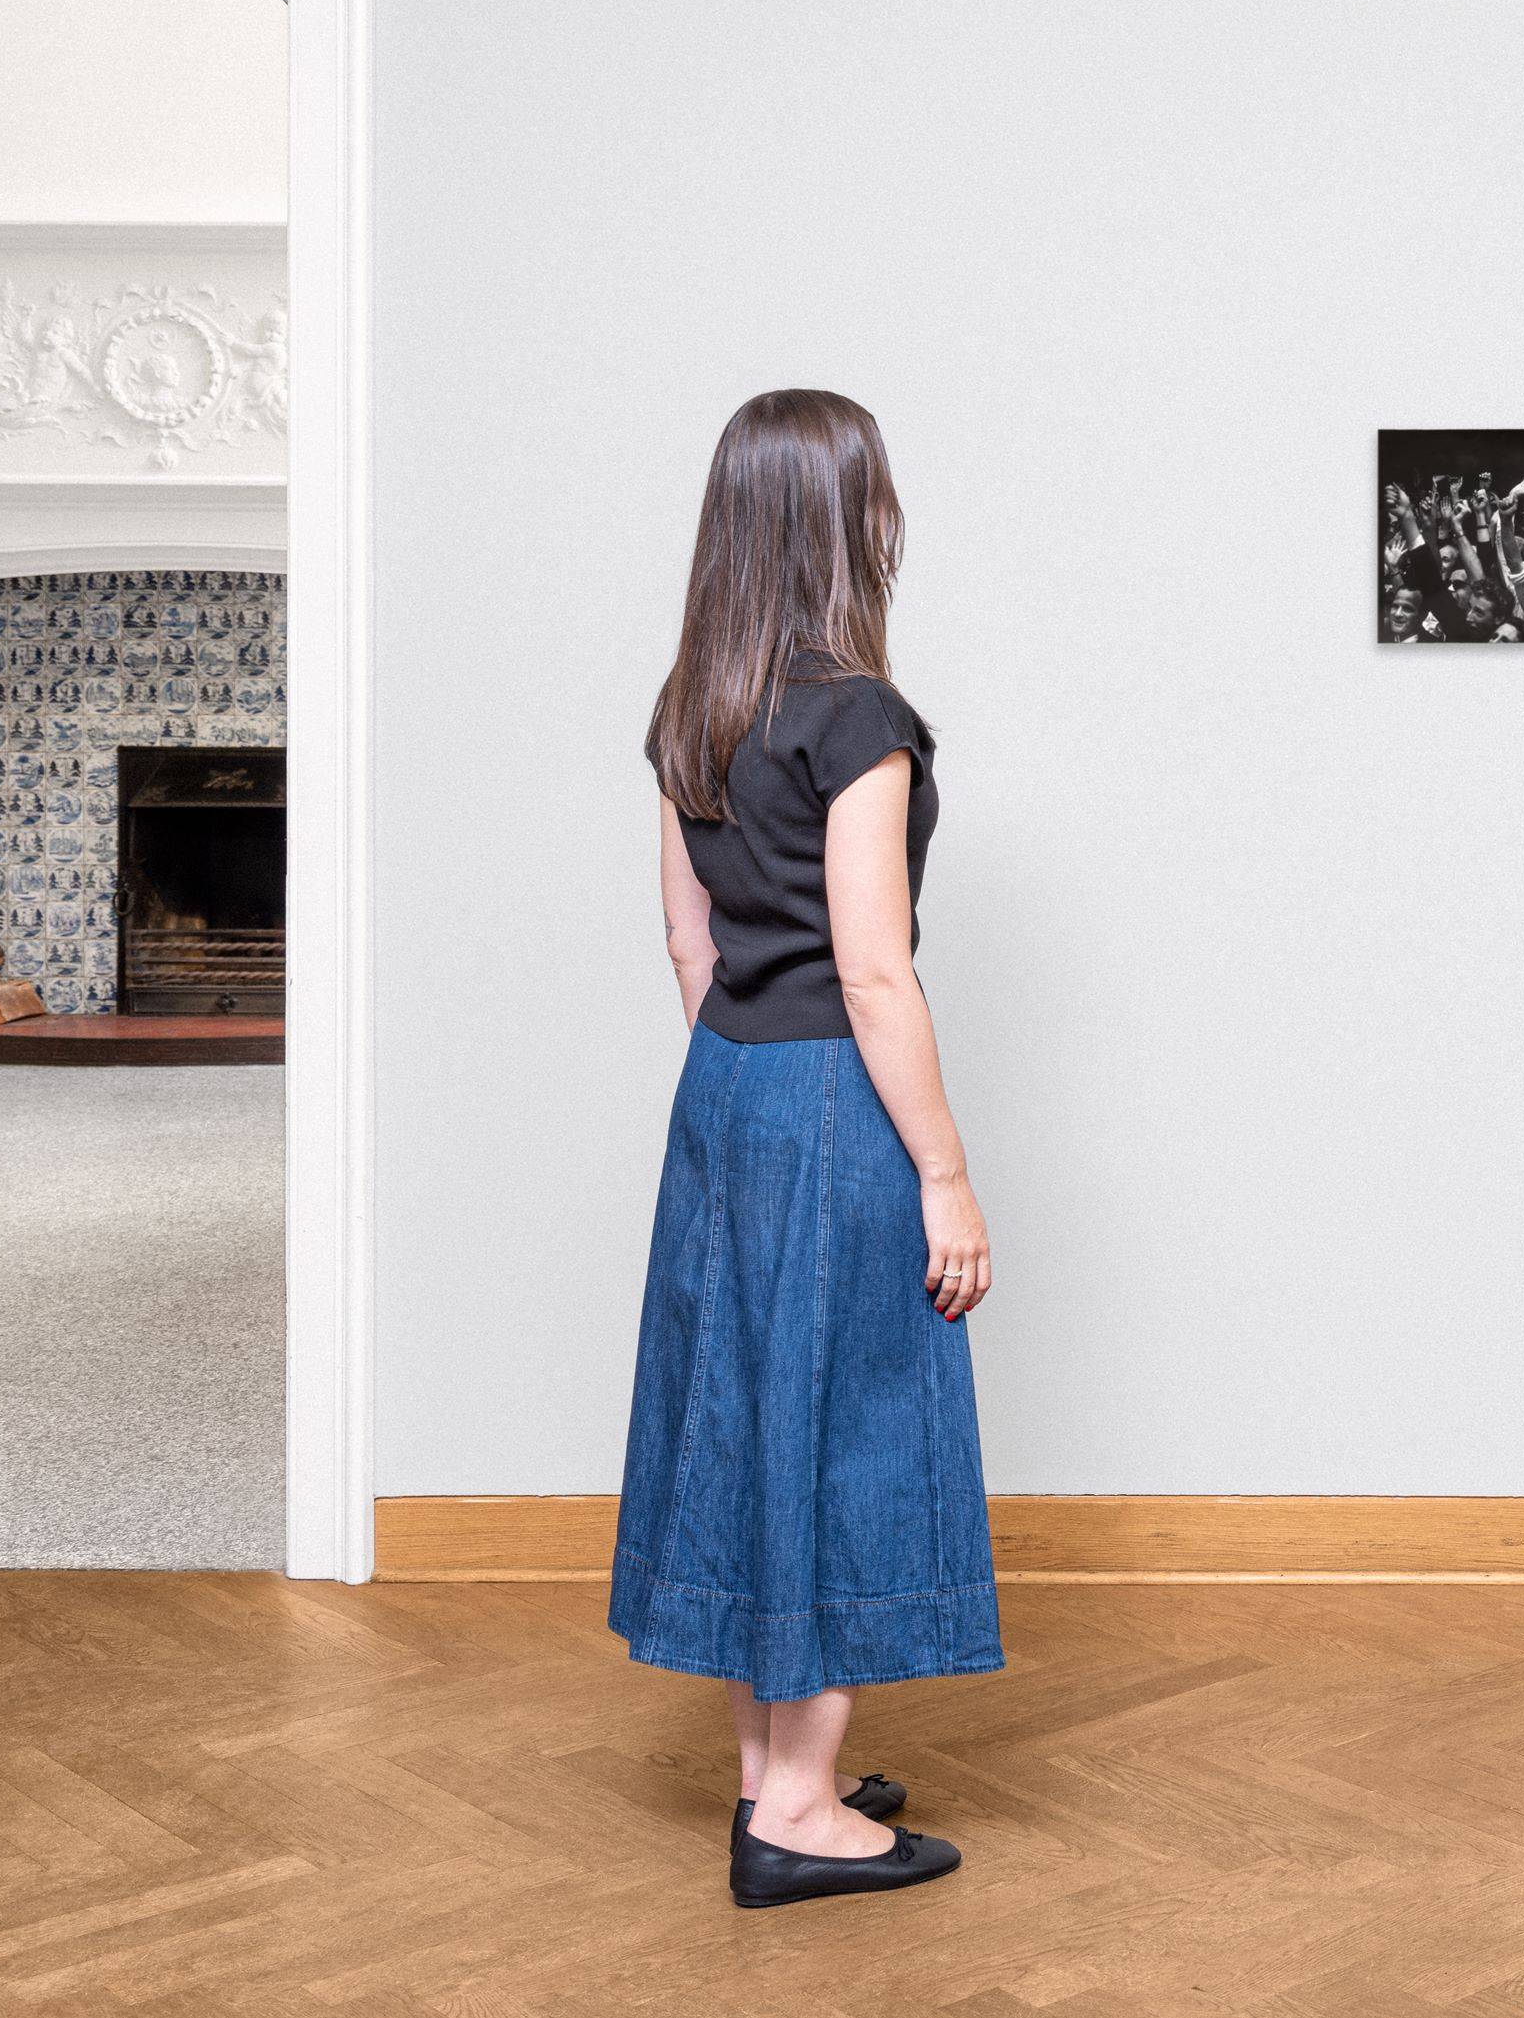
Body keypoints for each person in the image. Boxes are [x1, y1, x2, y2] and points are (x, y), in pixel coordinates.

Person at [619, 387, 1000, 1909]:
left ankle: (773, 1773)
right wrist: (944, 1175)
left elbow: (687, 942)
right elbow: (874, 972)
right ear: (856, 522)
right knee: (842, 1427)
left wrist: (742, 1090)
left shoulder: (691, 706)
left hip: (724, 1088)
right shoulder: (860, 721)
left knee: (749, 1418)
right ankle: (799, 1813)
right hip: (836, 1095)